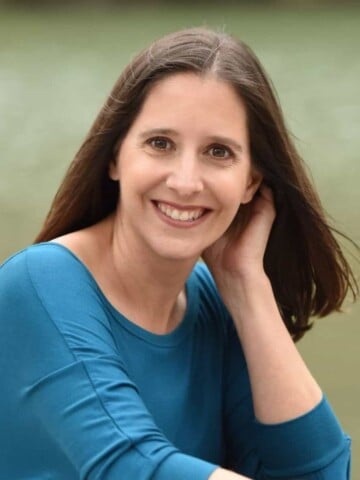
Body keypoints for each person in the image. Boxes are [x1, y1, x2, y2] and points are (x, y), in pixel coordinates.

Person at [0, 27, 357, 480]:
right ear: (115, 157)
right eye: (160, 144)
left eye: (218, 151)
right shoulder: (39, 284)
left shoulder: (214, 303)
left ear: (251, 183)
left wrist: (246, 284)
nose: (186, 181)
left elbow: (320, 473)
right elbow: (132, 467)